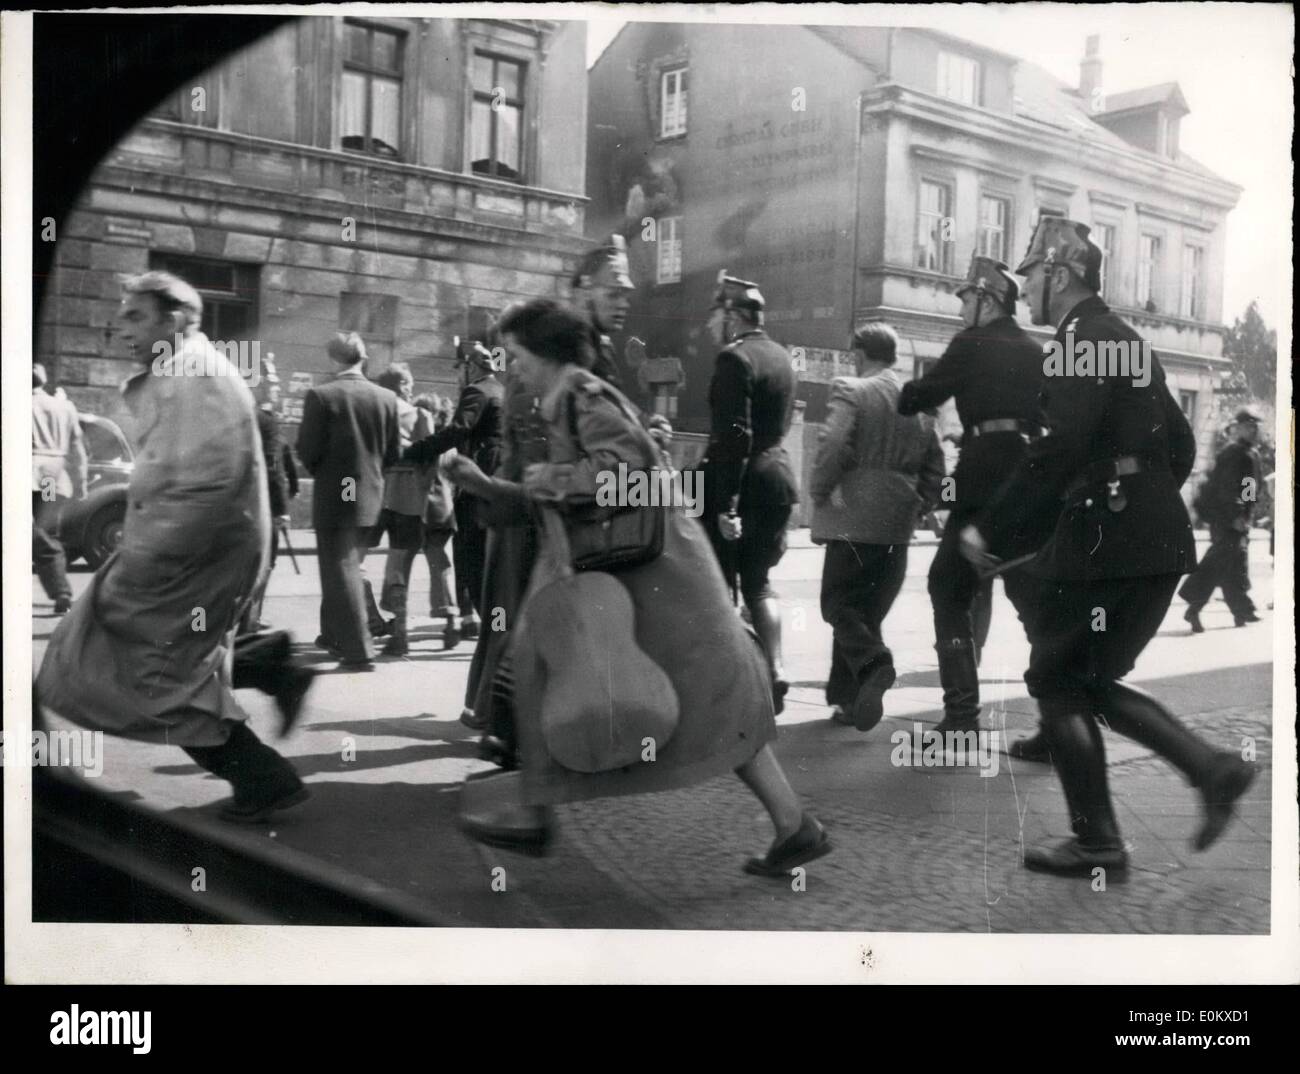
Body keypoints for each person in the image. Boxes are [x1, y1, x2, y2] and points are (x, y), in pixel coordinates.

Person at [446, 299, 831, 876]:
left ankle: (536, 815)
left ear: (547, 353)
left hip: (649, 577)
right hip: (647, 575)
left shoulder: (584, 396)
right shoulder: (570, 397)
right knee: (706, 704)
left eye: (519, 355)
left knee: (564, 676)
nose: (513, 367)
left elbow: (620, 476)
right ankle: (794, 826)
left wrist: (536, 476)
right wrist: (484, 484)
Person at [960, 217, 1257, 877]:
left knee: (1059, 682)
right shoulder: (1124, 338)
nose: (1026, 286)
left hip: (1112, 535)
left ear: (1058, 275)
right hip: (1150, 534)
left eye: (1031, 274)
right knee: (1086, 680)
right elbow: (1178, 443)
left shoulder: (1078, 340)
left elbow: (1060, 446)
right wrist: (1144, 495)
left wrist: (995, 526)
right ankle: (1212, 769)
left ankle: (1099, 842)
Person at [36, 271, 308, 823]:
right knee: (166, 663)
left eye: (136, 315)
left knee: (155, 679)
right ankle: (272, 668)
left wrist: (141, 564)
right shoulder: (182, 372)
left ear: (177, 319)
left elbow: (204, 487)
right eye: (122, 315)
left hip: (189, 557)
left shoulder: (195, 378)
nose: (121, 327)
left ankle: (264, 780)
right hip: (192, 554)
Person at [898, 254, 1049, 749]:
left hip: (981, 471)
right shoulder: (1033, 349)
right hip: (1026, 474)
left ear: (985, 298)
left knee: (947, 587)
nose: (961, 308)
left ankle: (962, 715)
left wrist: (906, 391)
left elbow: (923, 394)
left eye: (965, 298)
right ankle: (1056, 722)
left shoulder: (970, 342)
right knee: (1034, 604)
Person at [811, 321, 946, 730]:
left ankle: (875, 663)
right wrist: (920, 503)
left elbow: (833, 445)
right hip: (897, 523)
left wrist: (819, 490)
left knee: (837, 605)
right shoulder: (920, 405)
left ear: (859, 354)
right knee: (865, 612)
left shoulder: (852, 390)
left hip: (853, 515)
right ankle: (847, 700)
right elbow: (936, 469)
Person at [700, 272, 800, 704]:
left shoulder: (733, 359)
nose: (712, 324)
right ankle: (775, 668)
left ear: (733, 316)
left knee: (721, 584)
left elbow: (734, 437)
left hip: (743, 484)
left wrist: (726, 504)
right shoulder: (781, 356)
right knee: (758, 581)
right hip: (778, 478)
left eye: (717, 314)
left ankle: (730, 686)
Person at [296, 331, 400, 670]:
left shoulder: (321, 395)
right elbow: (393, 453)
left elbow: (307, 451)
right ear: (362, 358)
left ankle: (357, 647)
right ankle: (335, 636)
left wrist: (334, 477)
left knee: (341, 567)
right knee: (346, 565)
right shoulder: (385, 397)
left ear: (333, 359)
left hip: (338, 492)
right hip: (370, 492)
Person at [405, 338, 504, 647]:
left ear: (471, 367)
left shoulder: (476, 391)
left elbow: (459, 429)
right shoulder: (502, 391)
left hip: (477, 483)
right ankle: (488, 623)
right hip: (501, 483)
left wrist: (418, 449)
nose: (457, 376)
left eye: (460, 369)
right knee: (493, 557)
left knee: (468, 552)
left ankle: (487, 626)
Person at [369, 363, 437, 657]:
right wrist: (423, 491)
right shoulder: (421, 415)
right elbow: (431, 459)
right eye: (409, 383)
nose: (412, 388)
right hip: (409, 498)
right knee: (398, 565)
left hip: (375, 494)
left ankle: (371, 620)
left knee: (351, 558)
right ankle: (400, 633)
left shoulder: (374, 414)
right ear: (402, 385)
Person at [1179, 409, 1266, 632]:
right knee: (1219, 563)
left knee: (1234, 563)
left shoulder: (1249, 453)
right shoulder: (1235, 453)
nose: (1253, 429)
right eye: (1248, 426)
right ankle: (1194, 608)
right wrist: (1237, 515)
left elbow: (1249, 487)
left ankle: (1241, 611)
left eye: (1255, 426)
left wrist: (1248, 515)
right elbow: (1227, 489)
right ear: (1237, 428)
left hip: (1238, 518)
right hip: (1227, 518)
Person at [32, 363, 88, 614]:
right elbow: (77, 449)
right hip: (53, 477)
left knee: (36, 534)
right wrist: (81, 483)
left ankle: (60, 589)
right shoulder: (64, 406)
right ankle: (61, 591)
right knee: (46, 532)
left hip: (32, 474)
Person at [569, 234, 643, 403]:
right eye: (613, 295)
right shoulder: (568, 350)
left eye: (625, 295)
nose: (624, 304)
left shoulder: (599, 346)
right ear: (585, 293)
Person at [413, 393, 461, 645]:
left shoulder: (429, 444)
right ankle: (454, 619)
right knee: (443, 564)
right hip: (445, 508)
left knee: (439, 565)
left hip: (428, 509)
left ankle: (451, 619)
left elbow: (423, 476)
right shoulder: (448, 444)